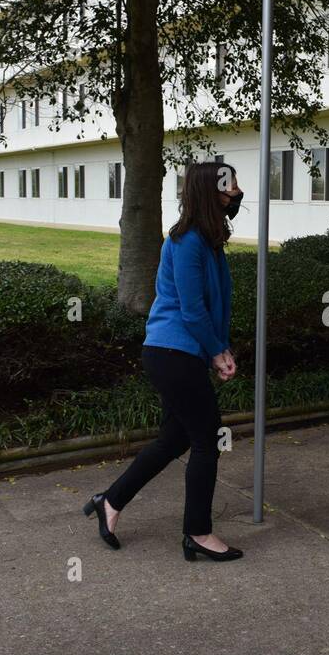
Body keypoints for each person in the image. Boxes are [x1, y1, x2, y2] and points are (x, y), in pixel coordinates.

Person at [85, 161, 244, 562]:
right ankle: (198, 532)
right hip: (173, 353)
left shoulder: (207, 239)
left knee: (175, 438)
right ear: (210, 191)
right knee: (207, 439)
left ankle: (110, 502)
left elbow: (215, 305)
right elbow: (191, 311)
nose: (237, 191)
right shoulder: (188, 240)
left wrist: (217, 347)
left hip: (181, 353)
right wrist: (218, 352)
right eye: (229, 185)